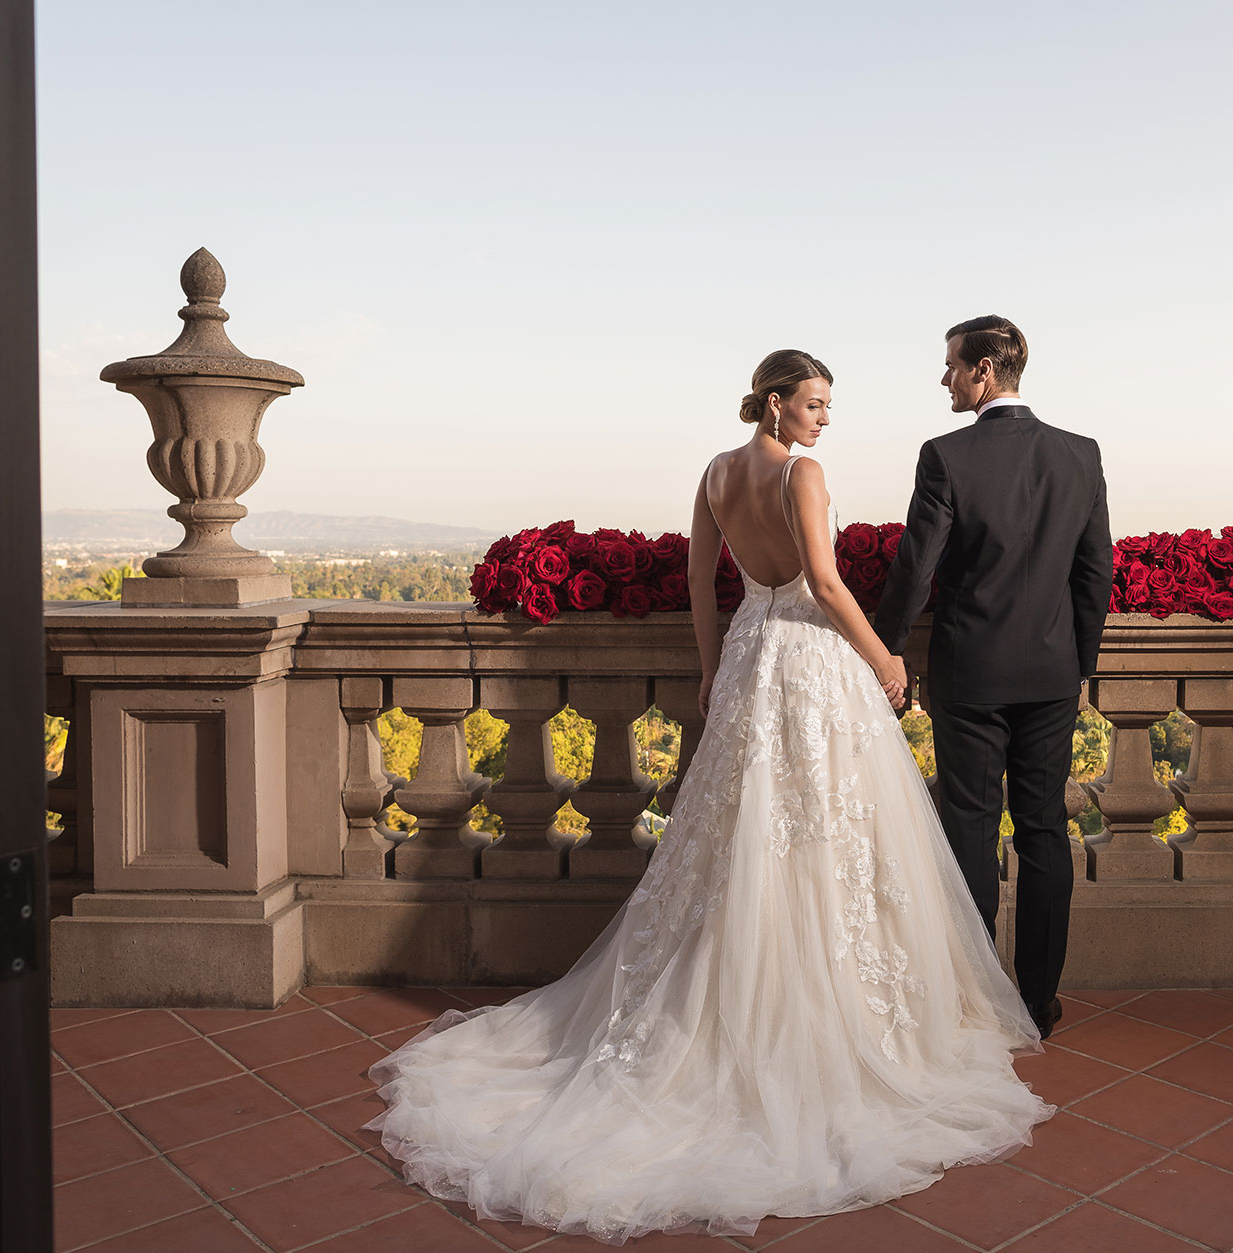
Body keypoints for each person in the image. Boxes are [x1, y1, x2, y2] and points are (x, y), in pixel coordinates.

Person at [362, 349, 1054, 1244]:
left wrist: (707, 669)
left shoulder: (717, 472)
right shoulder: (801, 473)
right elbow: (830, 582)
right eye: (814, 403)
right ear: (776, 403)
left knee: (743, 840)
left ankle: (739, 999)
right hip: (806, 657)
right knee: (817, 835)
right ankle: (815, 1016)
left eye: (827, 406)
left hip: (747, 655)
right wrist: (883, 659)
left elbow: (701, 583)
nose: (825, 419)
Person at [872, 316, 1114, 1040]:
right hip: (1051, 675)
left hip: (971, 674)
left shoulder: (946, 456)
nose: (944, 378)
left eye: (950, 365)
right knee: (1044, 830)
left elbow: (916, 568)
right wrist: (1079, 664)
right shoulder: (1080, 453)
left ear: (983, 371)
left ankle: (978, 1004)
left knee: (970, 833)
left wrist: (882, 651)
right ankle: (1037, 1002)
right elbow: (1095, 569)